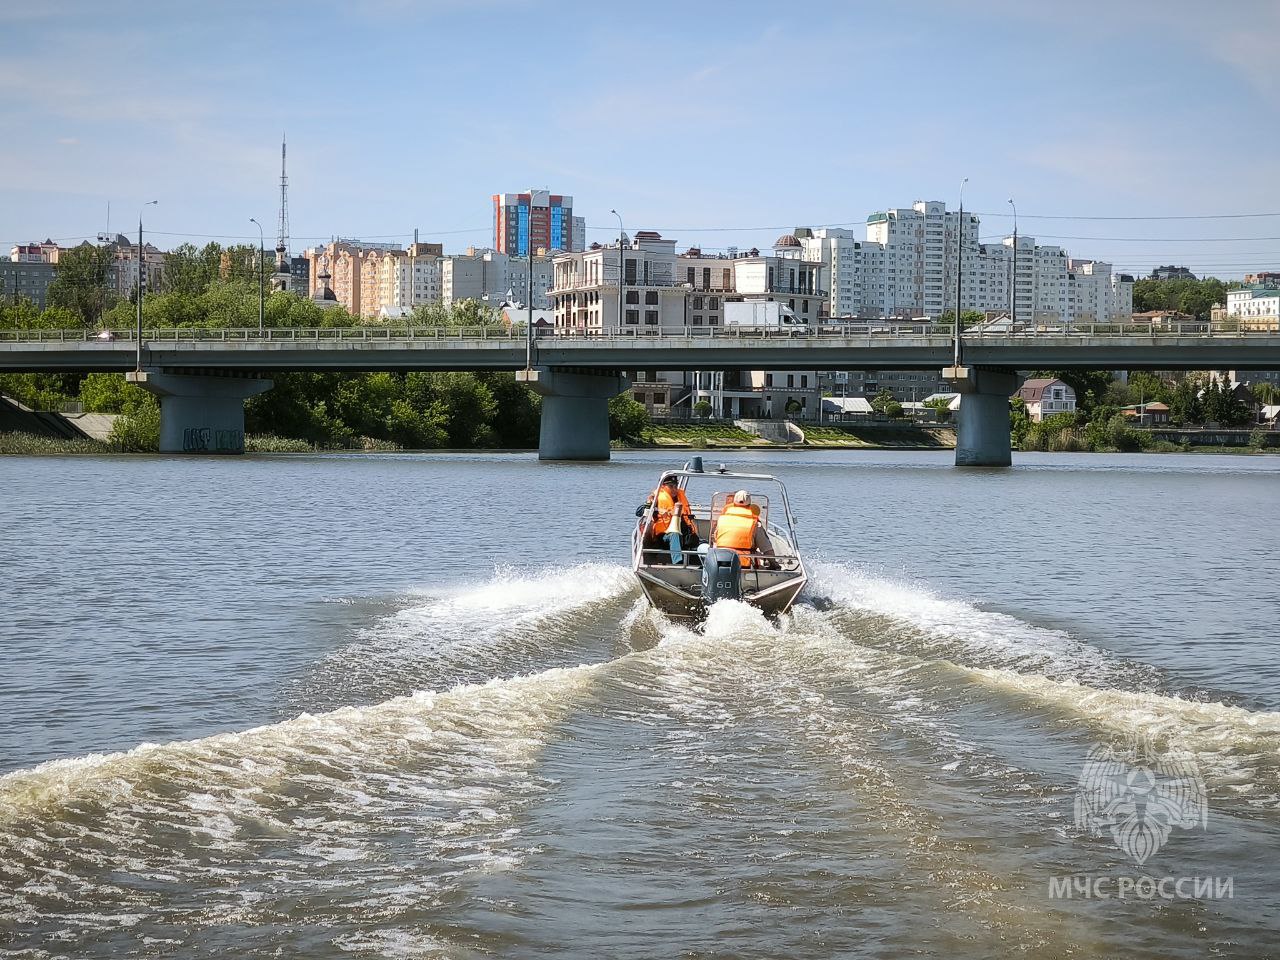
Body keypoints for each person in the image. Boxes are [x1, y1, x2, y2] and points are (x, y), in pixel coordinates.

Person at [713, 490, 776, 568]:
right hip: (743, 564)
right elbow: (767, 549)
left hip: (720, 561)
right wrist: (774, 564)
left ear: (733, 503)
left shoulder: (722, 519)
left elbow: (715, 539)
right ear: (750, 504)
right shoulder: (755, 523)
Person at [647, 476, 694, 564]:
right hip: (664, 536)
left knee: (696, 540)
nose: (674, 489)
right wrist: (653, 507)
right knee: (674, 534)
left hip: (683, 532)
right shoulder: (656, 498)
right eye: (671, 486)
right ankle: (678, 562)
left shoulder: (680, 497)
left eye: (675, 486)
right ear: (663, 487)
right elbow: (639, 511)